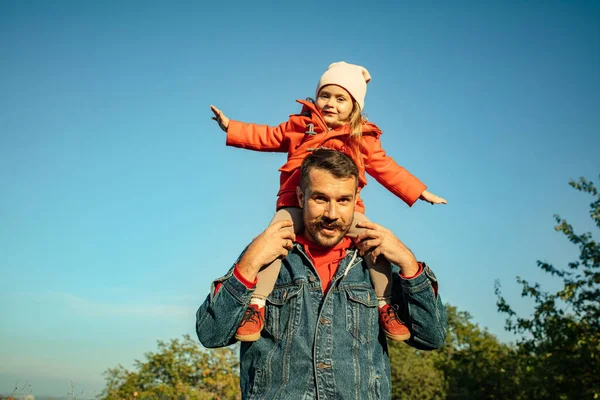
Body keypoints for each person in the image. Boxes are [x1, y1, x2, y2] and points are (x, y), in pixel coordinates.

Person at [210, 61, 447, 343]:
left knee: (374, 241)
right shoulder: (300, 126)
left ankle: (385, 304)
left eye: (340, 98)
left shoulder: (361, 137)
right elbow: (267, 136)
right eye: (325, 95)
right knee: (273, 241)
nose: (330, 103)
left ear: (354, 106)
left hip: (349, 214)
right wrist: (231, 127)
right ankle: (257, 304)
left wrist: (419, 191)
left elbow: (387, 168)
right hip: (293, 205)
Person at [196, 149, 447, 399]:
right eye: (320, 198)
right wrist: (249, 264)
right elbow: (211, 334)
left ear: (355, 199)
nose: (332, 214)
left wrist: (409, 264)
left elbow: (431, 337)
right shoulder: (266, 254)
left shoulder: (374, 259)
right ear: (301, 196)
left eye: (343, 200)